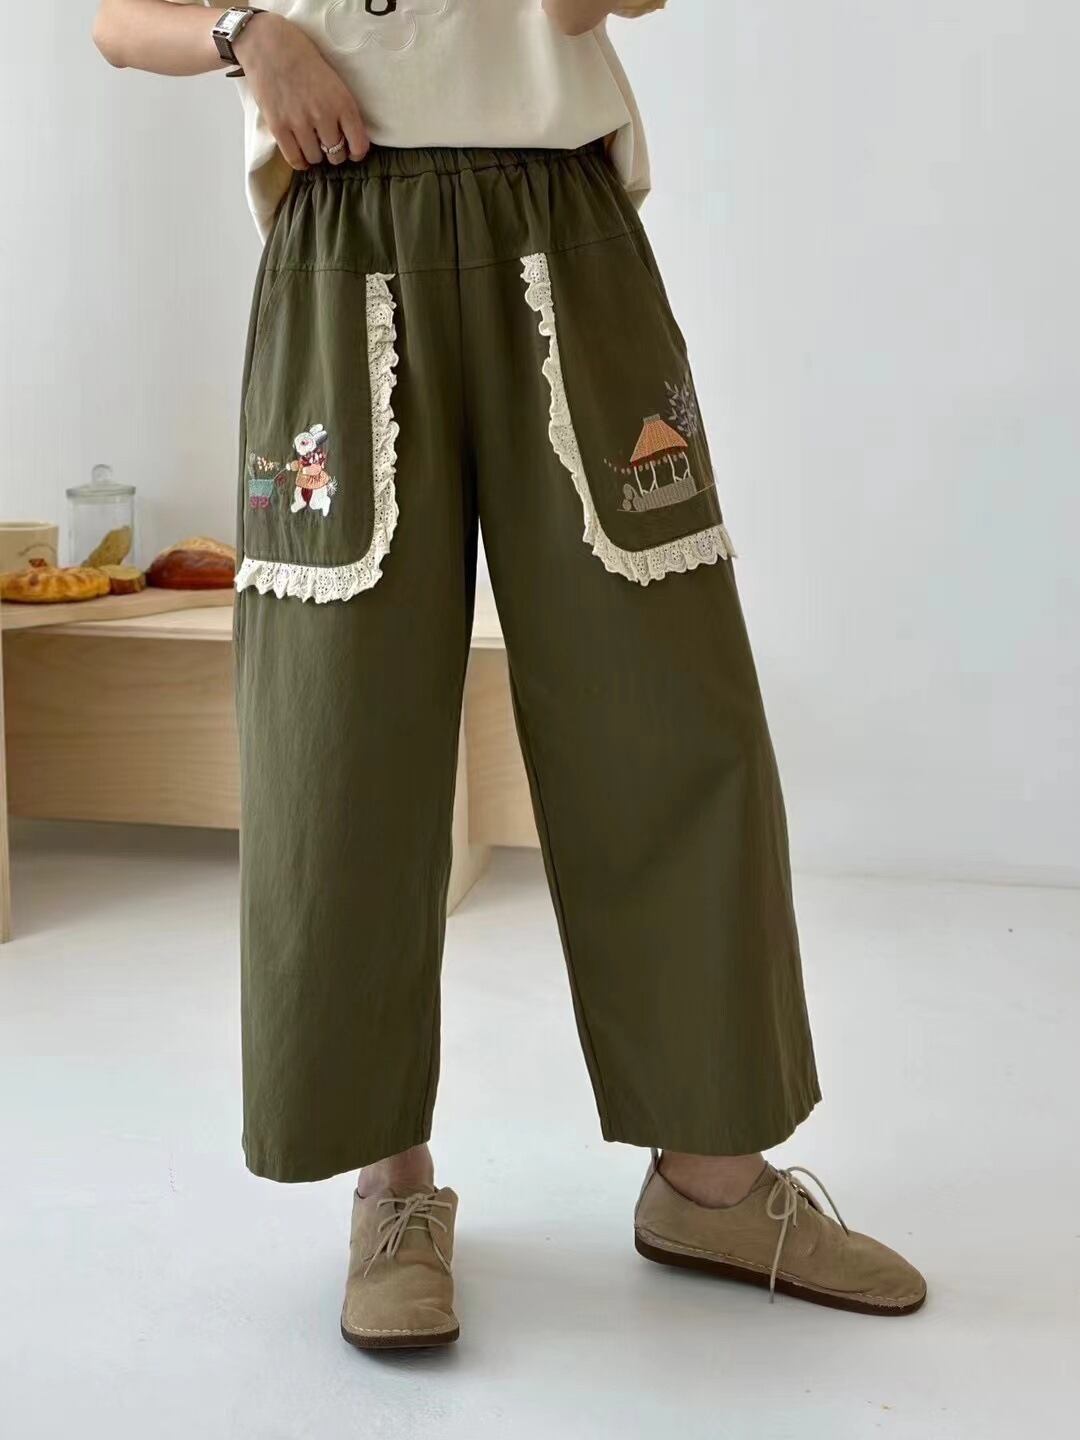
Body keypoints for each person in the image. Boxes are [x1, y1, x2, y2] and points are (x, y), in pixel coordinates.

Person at [93, 0, 926, 1350]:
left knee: (669, 707)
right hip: (344, 241)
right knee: (340, 736)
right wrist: (249, 35)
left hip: (563, 236)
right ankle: (389, 1186)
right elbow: (118, 22)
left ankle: (712, 1178)